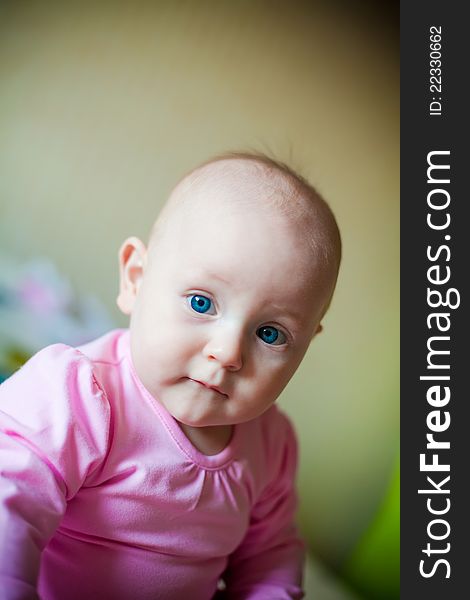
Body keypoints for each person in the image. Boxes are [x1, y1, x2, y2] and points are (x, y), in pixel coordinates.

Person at [0, 153, 341, 599]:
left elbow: (270, 556)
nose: (227, 352)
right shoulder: (78, 394)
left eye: (270, 333)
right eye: (202, 303)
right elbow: (11, 506)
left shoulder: (271, 445)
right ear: (136, 279)